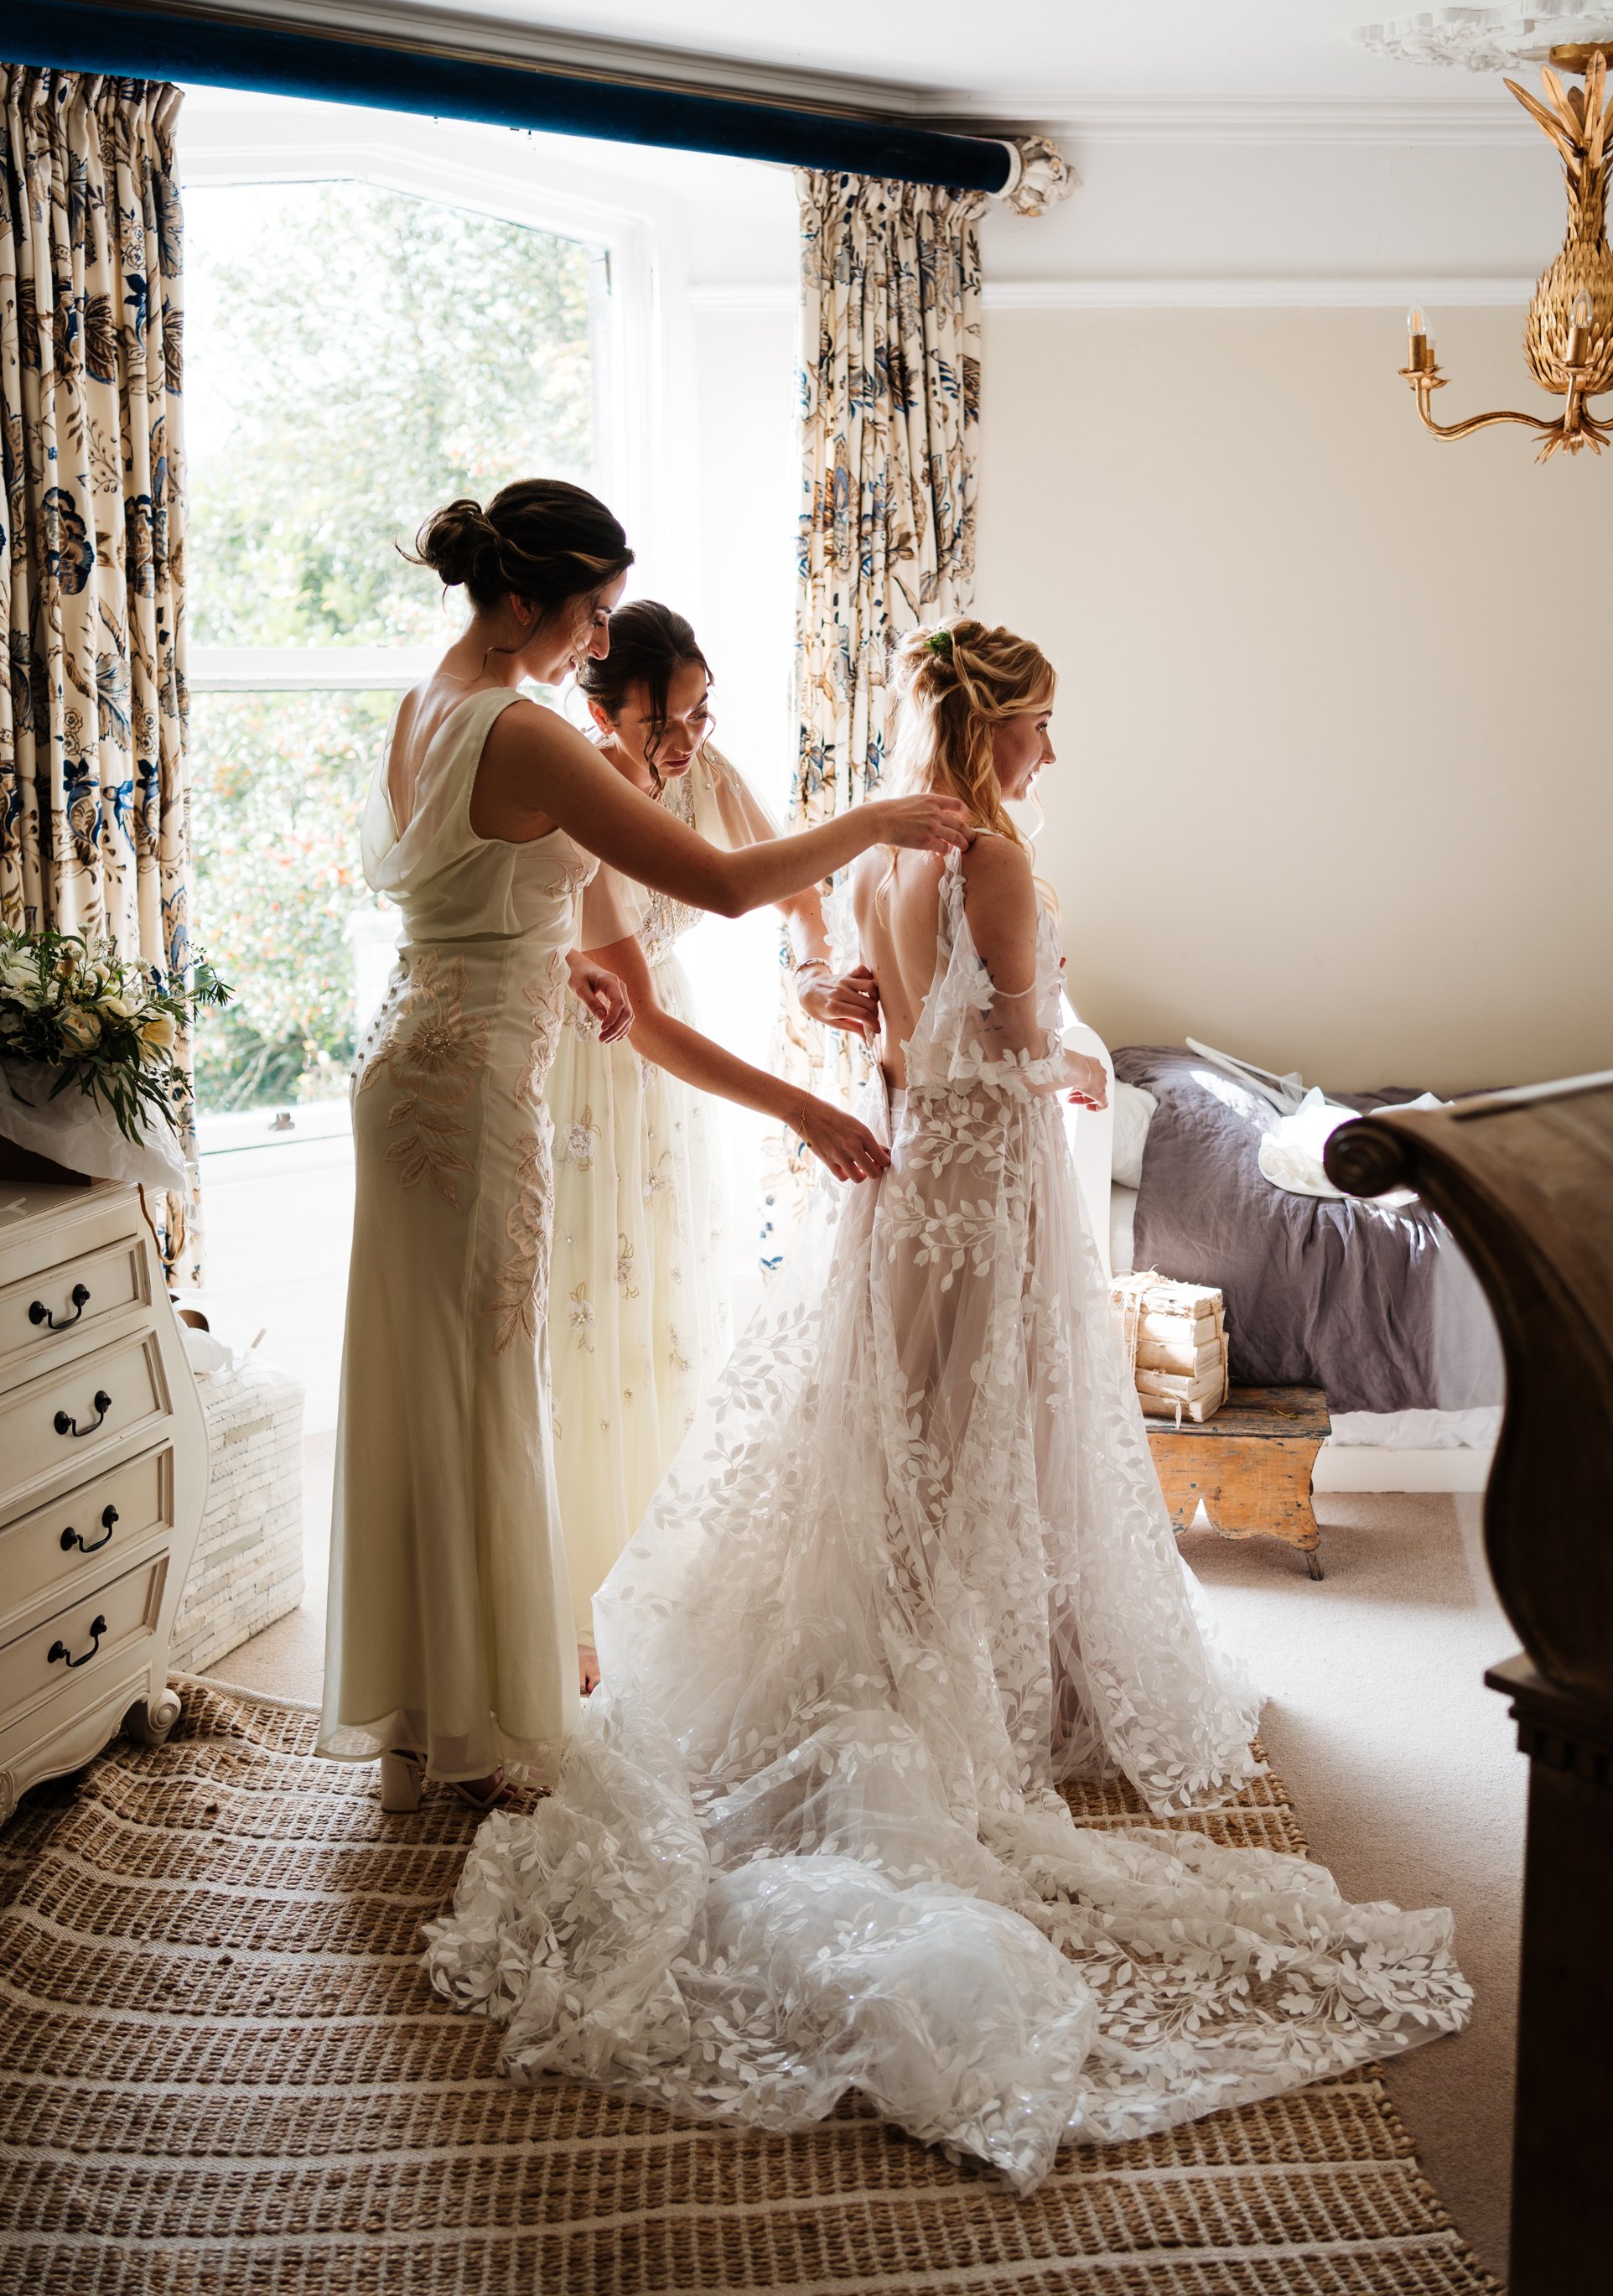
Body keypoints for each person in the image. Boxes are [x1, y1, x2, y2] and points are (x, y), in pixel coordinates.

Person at [425, 616, 1470, 2186]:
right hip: (990, 1188)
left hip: (906, 1187)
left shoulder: (869, 858)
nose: (1055, 750)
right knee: (990, 1434)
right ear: (994, 732)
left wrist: (934, 1031)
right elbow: (1020, 1042)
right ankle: (990, 1677)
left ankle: (925, 1640)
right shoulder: (991, 856)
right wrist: (1074, 1061)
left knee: (903, 1434)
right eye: (1043, 724)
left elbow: (878, 1010)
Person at [317, 481, 968, 1811]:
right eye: (591, 615)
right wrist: (878, 822)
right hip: (478, 1086)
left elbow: (460, 895)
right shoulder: (530, 730)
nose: (593, 643)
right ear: (525, 601)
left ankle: (424, 1712)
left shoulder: (424, 703)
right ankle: (493, 1723)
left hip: (413, 1060)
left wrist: (564, 971)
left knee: (422, 1380)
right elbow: (722, 886)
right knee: (485, 1384)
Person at [549, 600, 882, 1660]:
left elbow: (795, 890)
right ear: (603, 700)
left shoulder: (703, 771)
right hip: (592, 1054)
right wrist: (796, 1104)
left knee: (666, 1297)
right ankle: (575, 1592)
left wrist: (815, 976)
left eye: (701, 711)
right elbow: (641, 1006)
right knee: (592, 1302)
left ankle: (661, 1561)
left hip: (666, 1064)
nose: (689, 737)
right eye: (670, 717)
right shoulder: (577, 788)